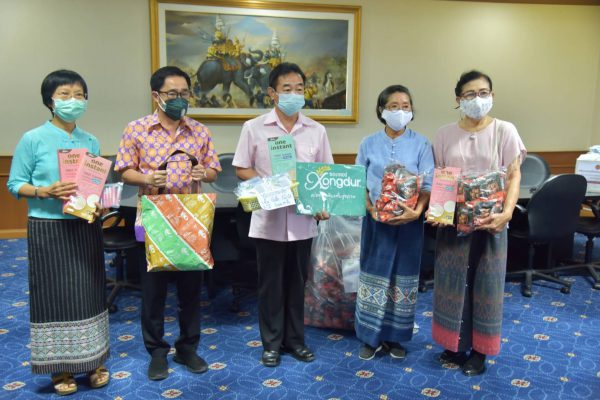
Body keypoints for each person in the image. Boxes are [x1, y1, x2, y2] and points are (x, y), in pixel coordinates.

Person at [114, 66, 221, 380]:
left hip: (190, 218)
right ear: (156, 96)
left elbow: (213, 169)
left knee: (191, 290)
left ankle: (187, 348)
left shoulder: (199, 130)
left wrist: (204, 173)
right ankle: (157, 352)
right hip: (154, 217)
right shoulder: (137, 129)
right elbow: (124, 170)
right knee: (153, 291)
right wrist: (147, 178)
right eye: (172, 93)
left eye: (184, 93)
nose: (179, 99)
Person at [7, 69, 110, 395]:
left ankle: (93, 361)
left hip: (85, 225)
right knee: (53, 297)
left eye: (79, 95)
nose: (73, 101)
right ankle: (59, 369)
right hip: (48, 227)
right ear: (50, 101)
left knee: (90, 293)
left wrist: (99, 204)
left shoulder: (90, 140)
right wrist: (44, 191)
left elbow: (94, 184)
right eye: (65, 95)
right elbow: (14, 184)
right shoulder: (33, 138)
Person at [233, 62, 333, 367]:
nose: (294, 94)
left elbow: (325, 173)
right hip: (269, 220)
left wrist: (323, 204)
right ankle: (272, 344)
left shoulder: (316, 131)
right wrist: (271, 185)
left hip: (303, 221)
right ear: (272, 93)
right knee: (270, 285)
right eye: (287, 89)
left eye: (299, 89)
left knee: (297, 283)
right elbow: (241, 168)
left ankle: (296, 341)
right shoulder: (254, 128)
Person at [429, 70, 526, 376]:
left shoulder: (505, 130)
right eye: (470, 94)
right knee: (451, 283)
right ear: (458, 99)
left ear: (492, 96)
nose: (477, 99)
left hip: (491, 223)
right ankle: (453, 344)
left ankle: (480, 352)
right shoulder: (444, 134)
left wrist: (507, 213)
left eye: (483, 93)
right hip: (453, 225)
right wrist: (439, 213)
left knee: (486, 287)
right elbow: (442, 178)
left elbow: (514, 175)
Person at [354, 85, 434, 360]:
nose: (401, 111)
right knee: (374, 276)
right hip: (377, 221)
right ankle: (370, 337)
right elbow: (358, 182)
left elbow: (429, 184)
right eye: (394, 106)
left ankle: (396, 337)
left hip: (409, 223)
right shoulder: (368, 143)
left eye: (406, 106)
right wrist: (370, 209)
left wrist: (417, 211)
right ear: (382, 110)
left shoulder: (422, 144)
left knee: (403, 278)